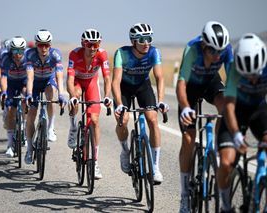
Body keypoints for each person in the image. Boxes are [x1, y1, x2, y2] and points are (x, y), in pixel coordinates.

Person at [176, 21, 233, 212]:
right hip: (190, 87)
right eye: (212, 51)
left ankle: (217, 149)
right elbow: (181, 83)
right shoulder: (192, 49)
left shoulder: (226, 49)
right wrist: (185, 108)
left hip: (211, 82)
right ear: (203, 45)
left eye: (220, 51)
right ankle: (184, 195)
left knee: (225, 106)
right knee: (188, 138)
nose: (217, 55)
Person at [112, 23, 169, 184]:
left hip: (143, 87)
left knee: (152, 119)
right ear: (133, 41)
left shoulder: (153, 52)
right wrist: (119, 104)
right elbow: (115, 82)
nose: (146, 43)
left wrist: (161, 101)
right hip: (124, 88)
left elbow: (160, 77)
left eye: (149, 39)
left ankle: (155, 166)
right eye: (142, 40)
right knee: (123, 120)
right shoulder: (121, 53)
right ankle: (125, 151)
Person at [217, 33, 267, 213]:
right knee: (226, 162)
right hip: (236, 112)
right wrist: (237, 134)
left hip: (260, 111)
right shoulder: (235, 71)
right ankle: (225, 205)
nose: (252, 79)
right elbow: (228, 106)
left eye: (255, 74)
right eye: (248, 75)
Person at [67, 29, 112, 179]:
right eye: (89, 44)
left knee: (94, 120)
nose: (92, 48)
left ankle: (95, 162)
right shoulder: (74, 54)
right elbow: (69, 79)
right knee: (76, 97)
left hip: (92, 83)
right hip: (77, 83)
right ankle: (73, 127)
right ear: (83, 44)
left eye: (96, 44)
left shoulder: (102, 54)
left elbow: (106, 78)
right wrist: (72, 96)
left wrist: (107, 96)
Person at [24, 29, 66, 164]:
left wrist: (61, 94)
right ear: (36, 45)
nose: (43, 48)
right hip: (35, 84)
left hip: (49, 80)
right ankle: (30, 149)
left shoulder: (55, 54)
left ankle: (50, 128)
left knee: (50, 92)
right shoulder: (29, 54)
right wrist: (29, 94)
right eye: (41, 45)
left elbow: (59, 76)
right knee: (31, 114)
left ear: (50, 45)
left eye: (46, 45)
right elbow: (30, 78)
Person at [0, 36, 27, 157]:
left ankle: (24, 128)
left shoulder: (28, 58)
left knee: (26, 99)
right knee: (11, 111)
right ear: (11, 50)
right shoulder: (6, 58)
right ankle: (10, 145)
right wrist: (4, 92)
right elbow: (4, 77)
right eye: (15, 51)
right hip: (11, 84)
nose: (18, 54)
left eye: (20, 51)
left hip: (24, 82)